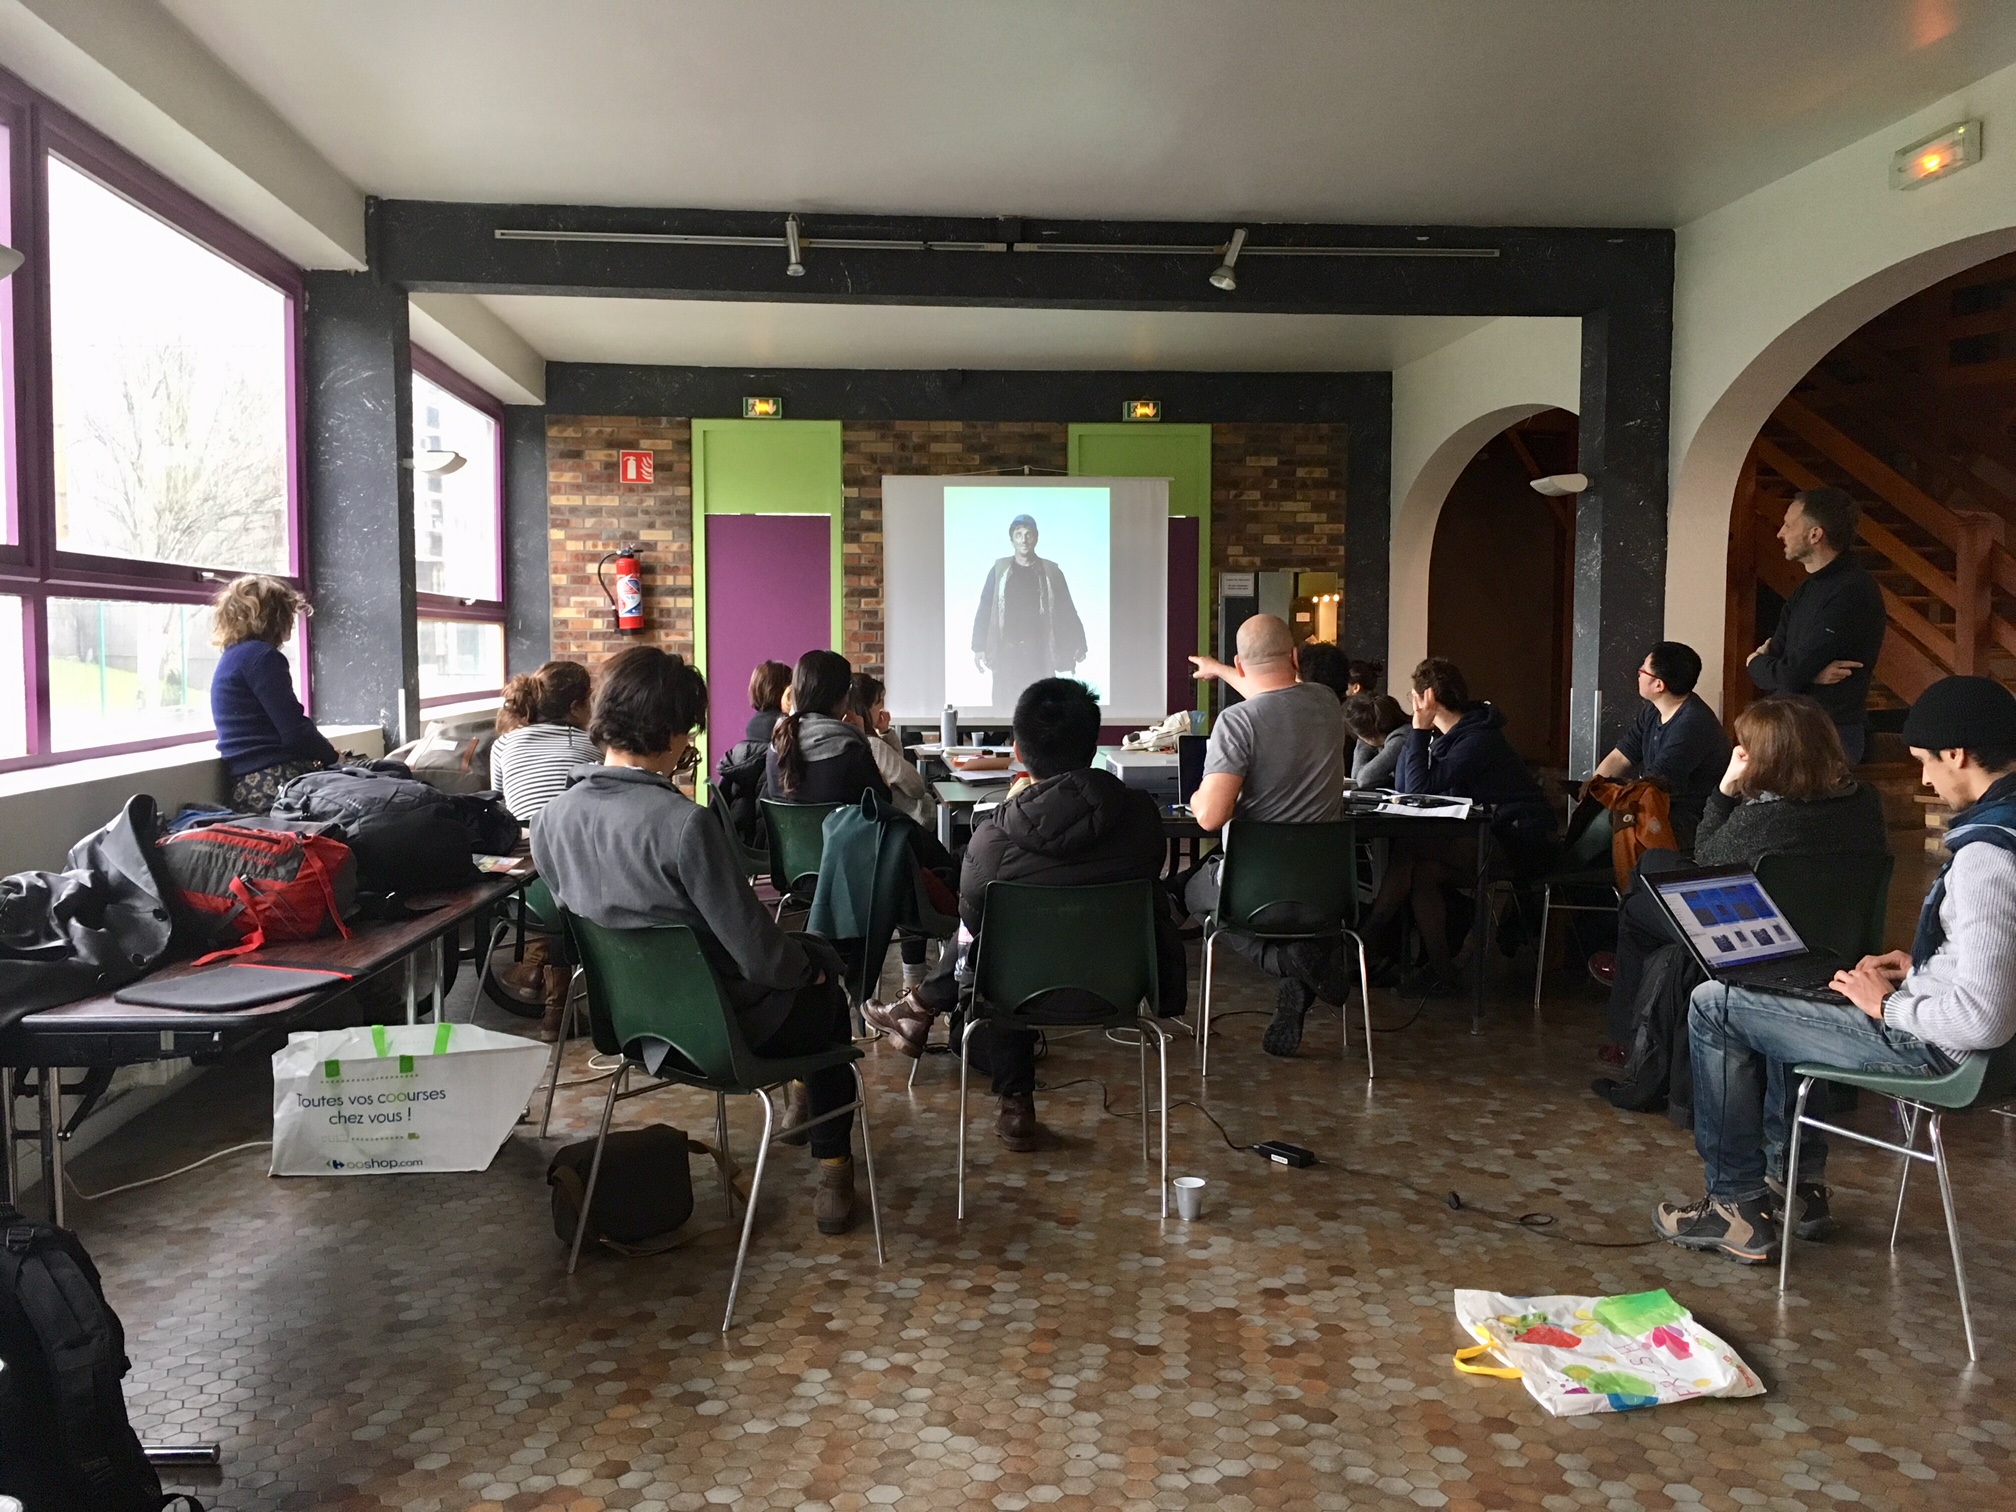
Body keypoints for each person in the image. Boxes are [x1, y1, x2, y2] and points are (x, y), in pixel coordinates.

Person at [1655, 675, 2016, 1263]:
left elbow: (1981, 1020)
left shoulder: (1987, 858)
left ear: (1956, 754)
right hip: (1976, 1045)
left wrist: (1887, 1004)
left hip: (1941, 1050)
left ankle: (1733, 1206)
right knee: (1789, 994)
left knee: (1714, 1004)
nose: (1924, 780)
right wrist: (1924, 967)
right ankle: (1792, 1186)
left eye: (1925, 762)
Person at [531, 646, 867, 1235]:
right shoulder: (684, 823)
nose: (689, 741)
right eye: (688, 728)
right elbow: (759, 956)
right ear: (668, 731)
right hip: (724, 1032)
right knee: (824, 991)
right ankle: (833, 1169)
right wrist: (814, 968)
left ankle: (803, 1105)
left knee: (801, 968)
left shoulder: (549, 821)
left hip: (634, 1028)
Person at [863, 678, 1186, 1149]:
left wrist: (1015, 804)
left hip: (1018, 993)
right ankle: (921, 1007)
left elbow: (971, 922)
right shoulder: (1140, 818)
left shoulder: (992, 839)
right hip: (1121, 986)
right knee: (998, 941)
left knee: (990, 943)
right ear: (1093, 746)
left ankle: (1014, 1102)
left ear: (1017, 751)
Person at [1597, 695, 1888, 1063]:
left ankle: (1627, 1035)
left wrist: (1724, 790)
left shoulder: (1767, 817)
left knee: (1638, 903)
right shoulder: (1866, 803)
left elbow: (1705, 858)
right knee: (1653, 864)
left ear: (1767, 756)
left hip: (1753, 943)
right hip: (1836, 940)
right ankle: (1638, 981)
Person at [1182, 614, 1351, 1057]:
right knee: (1288, 915)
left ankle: (1284, 961)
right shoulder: (1326, 702)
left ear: (1241, 663)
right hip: (1326, 889)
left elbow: (1210, 818)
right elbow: (1272, 698)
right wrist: (1219, 670)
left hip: (1252, 891)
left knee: (1191, 892)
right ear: (1295, 657)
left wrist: (1199, 795)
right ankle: (1304, 964)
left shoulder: (1235, 724)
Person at [1368, 657, 1556, 996]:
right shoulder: (1447, 737)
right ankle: (1442, 971)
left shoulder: (1478, 739)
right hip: (1487, 836)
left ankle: (1369, 937)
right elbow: (1405, 788)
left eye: (1414, 697)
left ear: (1427, 698)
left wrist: (1419, 731)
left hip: (1518, 841)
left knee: (1409, 850)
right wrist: (1418, 736)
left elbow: (1417, 790)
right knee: (1422, 872)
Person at [1745, 486, 1887, 764]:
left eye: (1788, 525)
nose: (1780, 533)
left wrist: (1755, 662)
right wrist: (1808, 674)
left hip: (1829, 735)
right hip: (1793, 728)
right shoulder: (1805, 590)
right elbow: (1784, 664)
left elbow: (1787, 673)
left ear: (1815, 534)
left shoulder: (1852, 590)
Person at [208, 574, 340, 814]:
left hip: (246, 786)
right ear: (276, 617)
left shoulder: (231, 657)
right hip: (277, 779)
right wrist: (334, 757)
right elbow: (295, 731)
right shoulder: (262, 657)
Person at [1585, 641, 1729, 848]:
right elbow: (1621, 756)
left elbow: (1654, 784)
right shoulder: (1653, 710)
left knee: (1606, 825)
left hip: (1689, 817)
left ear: (1659, 685)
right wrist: (1592, 790)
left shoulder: (1693, 723)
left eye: (1643, 670)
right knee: (1595, 817)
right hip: (1658, 804)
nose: (1638, 673)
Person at [971, 515, 1087, 708]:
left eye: (1028, 534)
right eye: (1018, 535)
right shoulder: (999, 571)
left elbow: (1067, 608)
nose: (1023, 540)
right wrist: (978, 646)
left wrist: (1079, 641)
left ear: (1036, 538)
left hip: (1040, 655)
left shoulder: (1051, 572)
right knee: (1005, 709)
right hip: (1007, 656)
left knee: (1042, 709)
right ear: (1012, 540)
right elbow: (985, 607)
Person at [765, 649, 889, 806]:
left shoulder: (776, 744)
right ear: (842, 695)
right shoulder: (851, 749)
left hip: (788, 823)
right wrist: (862, 737)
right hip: (840, 824)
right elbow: (883, 801)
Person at [491, 661, 598, 822]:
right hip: (573, 832)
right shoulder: (593, 744)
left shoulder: (503, 744)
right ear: (575, 708)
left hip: (523, 834)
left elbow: (498, 802)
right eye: (590, 699)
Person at [1343, 693, 1409, 790]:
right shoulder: (1386, 738)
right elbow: (1356, 776)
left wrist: (1364, 737)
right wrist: (1364, 739)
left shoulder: (1401, 738)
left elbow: (1365, 779)